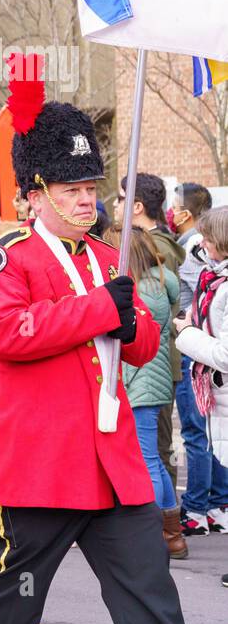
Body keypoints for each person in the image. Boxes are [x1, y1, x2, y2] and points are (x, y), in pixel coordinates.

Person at [0, 79, 184, 624]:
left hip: (111, 462)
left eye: (91, 187)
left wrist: (132, 322)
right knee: (15, 601)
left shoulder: (111, 256)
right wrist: (99, 309)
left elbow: (140, 350)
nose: (87, 199)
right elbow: (5, 334)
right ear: (35, 194)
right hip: (38, 463)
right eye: (71, 190)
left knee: (151, 595)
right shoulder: (5, 255)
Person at [104, 225, 186, 558]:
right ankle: (169, 529)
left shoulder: (145, 288)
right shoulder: (158, 282)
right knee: (149, 457)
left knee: (147, 458)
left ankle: (160, 533)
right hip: (149, 380)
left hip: (140, 382)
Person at [168, 183, 226, 535]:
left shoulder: (201, 261)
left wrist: (186, 333)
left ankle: (202, 507)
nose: (201, 247)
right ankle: (217, 504)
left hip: (209, 369)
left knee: (198, 437)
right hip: (212, 377)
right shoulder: (213, 270)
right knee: (213, 442)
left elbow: (224, 350)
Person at [119, 172, 183, 490]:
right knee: (151, 449)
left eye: (121, 199)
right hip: (152, 362)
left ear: (137, 205)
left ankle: (164, 526)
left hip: (151, 361)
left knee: (154, 451)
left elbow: (158, 306)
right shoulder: (153, 244)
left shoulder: (151, 249)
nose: (117, 205)